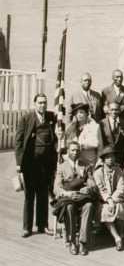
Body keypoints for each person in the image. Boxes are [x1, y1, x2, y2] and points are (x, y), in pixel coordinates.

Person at [16, 94, 59, 238]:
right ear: (35, 104)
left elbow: (60, 129)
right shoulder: (26, 118)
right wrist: (18, 164)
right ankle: (27, 227)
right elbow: (19, 142)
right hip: (30, 163)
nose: (42, 105)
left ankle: (42, 225)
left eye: (45, 103)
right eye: (40, 103)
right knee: (29, 196)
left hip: (46, 165)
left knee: (43, 195)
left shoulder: (51, 117)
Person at [53, 141, 95, 255]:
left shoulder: (85, 165)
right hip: (69, 198)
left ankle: (83, 242)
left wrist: (88, 188)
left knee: (89, 205)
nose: (75, 152)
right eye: (72, 150)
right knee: (70, 207)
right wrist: (67, 194)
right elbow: (56, 188)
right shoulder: (62, 167)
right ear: (68, 152)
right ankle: (72, 241)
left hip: (82, 197)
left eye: (77, 150)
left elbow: (91, 181)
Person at [92, 149, 124, 251]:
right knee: (105, 211)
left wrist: (113, 199)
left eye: (112, 157)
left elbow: (121, 188)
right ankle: (117, 238)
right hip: (103, 200)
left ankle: (122, 234)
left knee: (120, 208)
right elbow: (101, 188)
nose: (111, 159)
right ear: (103, 160)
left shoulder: (118, 171)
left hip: (117, 198)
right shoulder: (98, 172)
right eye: (108, 157)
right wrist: (109, 199)